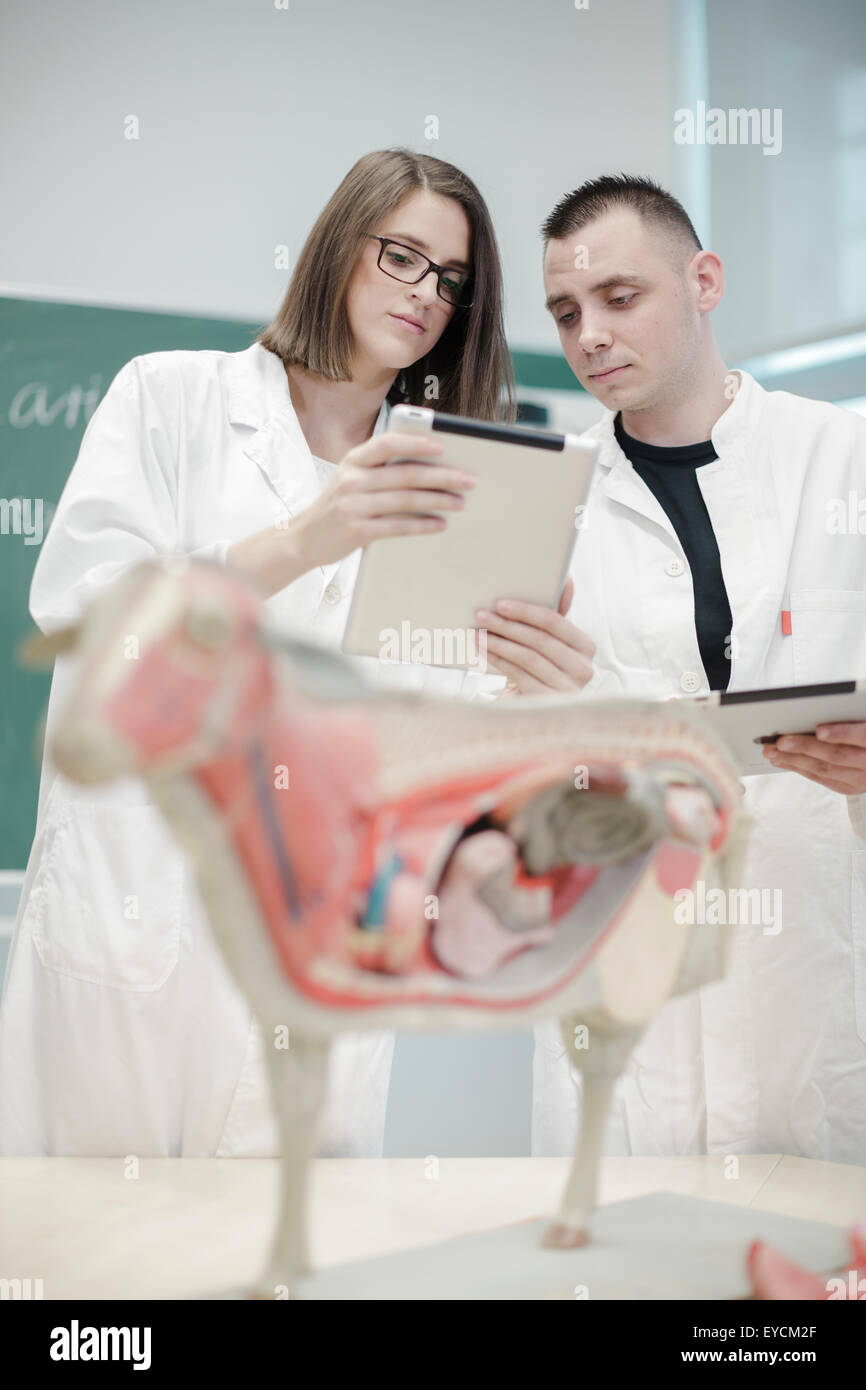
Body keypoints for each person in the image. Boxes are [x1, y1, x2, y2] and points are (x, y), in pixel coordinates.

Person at [0, 147, 595, 1159]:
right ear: (337, 246)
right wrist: (302, 542)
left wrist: (526, 682)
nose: (424, 295)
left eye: (450, 281)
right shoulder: (173, 401)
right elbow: (88, 622)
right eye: (401, 256)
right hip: (140, 910)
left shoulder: (455, 483)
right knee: (96, 1254)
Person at [531, 174, 866, 1163]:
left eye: (618, 297)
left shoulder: (843, 458)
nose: (589, 332)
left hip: (810, 956)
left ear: (703, 279)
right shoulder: (546, 501)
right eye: (564, 311)